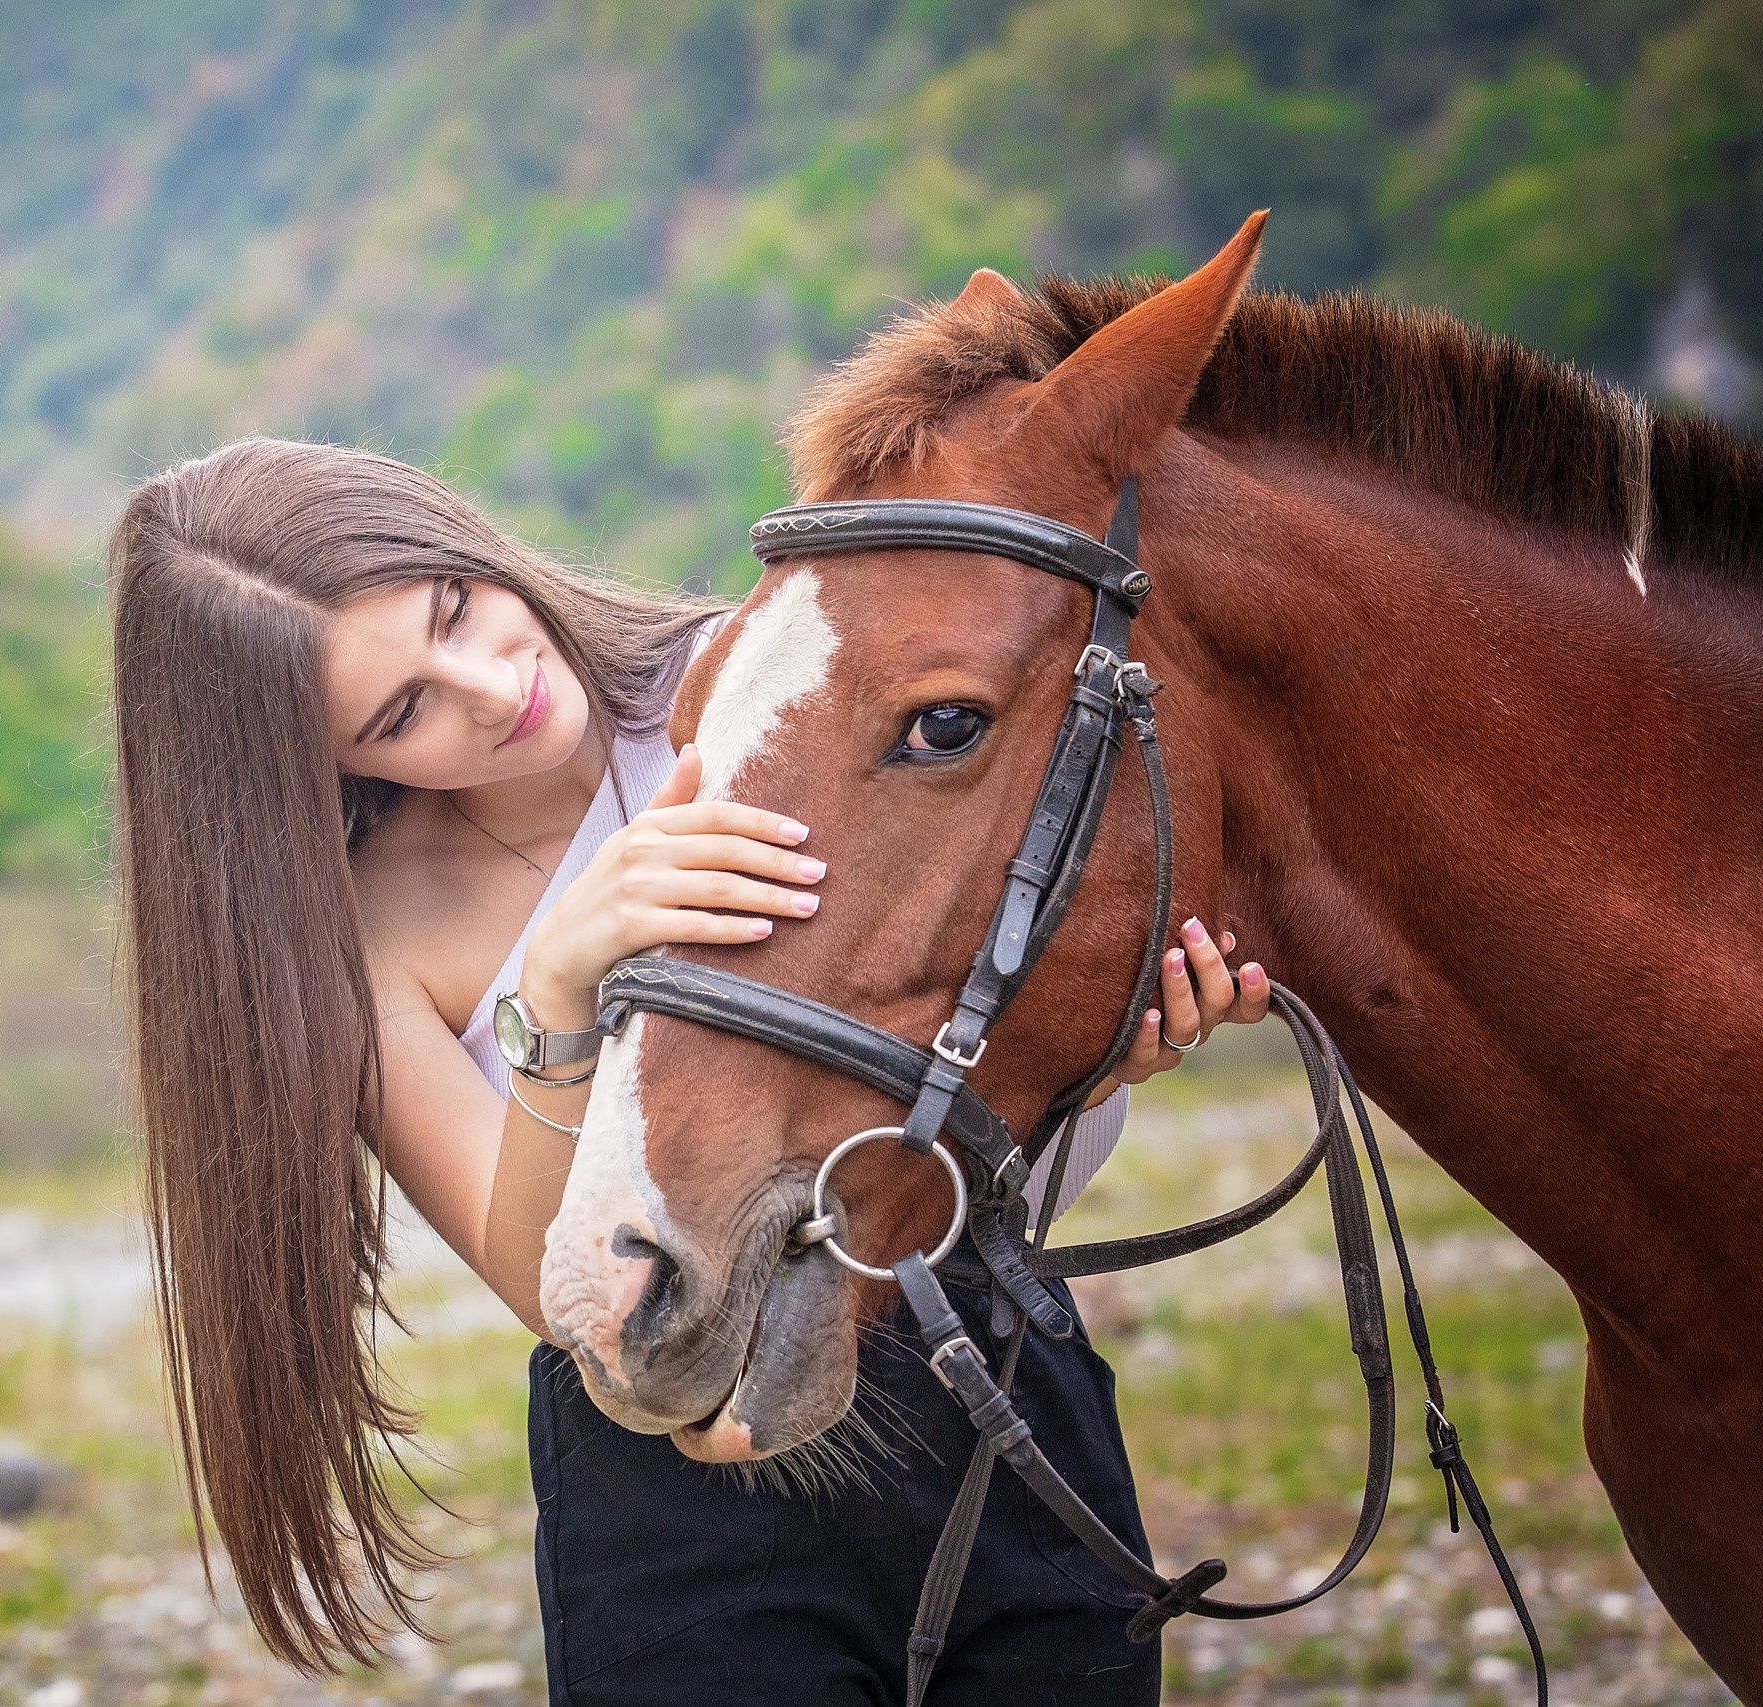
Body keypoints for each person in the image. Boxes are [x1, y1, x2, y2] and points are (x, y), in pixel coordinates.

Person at [108, 436, 1270, 1703]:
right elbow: (555, 1300)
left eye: (456, 609)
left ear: (472, 546)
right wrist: (555, 990)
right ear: (335, 766)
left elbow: (958, 1151)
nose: (490, 688)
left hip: (989, 1381)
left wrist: (1095, 1068)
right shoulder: (373, 942)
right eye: (403, 711)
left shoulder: (775, 692)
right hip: (676, 1497)